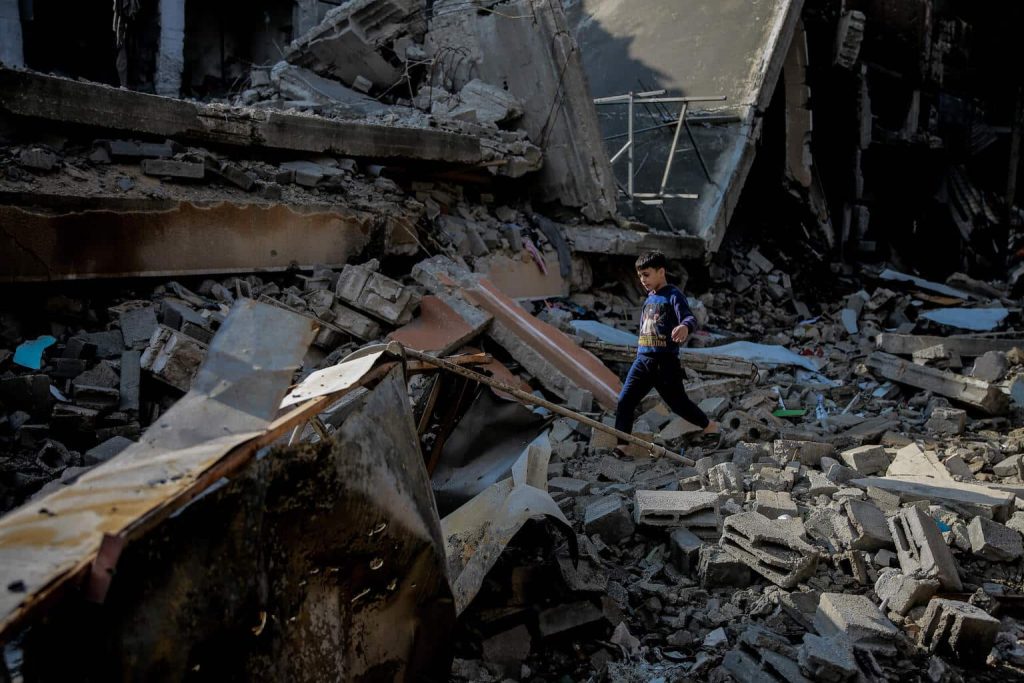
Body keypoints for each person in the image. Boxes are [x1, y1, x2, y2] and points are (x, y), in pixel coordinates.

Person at [615, 251, 719, 449]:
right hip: (643, 361)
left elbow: (689, 318)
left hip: (665, 363)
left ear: (661, 272)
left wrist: (684, 327)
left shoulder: (673, 295)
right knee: (625, 401)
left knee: (678, 403)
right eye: (640, 276)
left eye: (646, 275)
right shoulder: (649, 300)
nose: (642, 280)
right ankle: (622, 446)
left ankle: (709, 426)